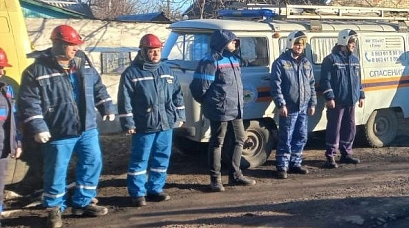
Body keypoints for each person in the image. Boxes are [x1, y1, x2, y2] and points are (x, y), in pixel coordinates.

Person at [18, 25, 117, 228]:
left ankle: (83, 202)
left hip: (86, 127)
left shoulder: (83, 62)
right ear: (58, 44)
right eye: (71, 45)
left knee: (93, 163)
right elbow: (29, 102)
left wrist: (106, 105)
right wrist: (38, 126)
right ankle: (54, 209)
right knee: (56, 170)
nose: (75, 49)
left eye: (76, 45)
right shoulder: (36, 71)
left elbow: (97, 85)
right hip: (58, 130)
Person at [118, 34, 184, 206]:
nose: (155, 54)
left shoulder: (167, 71)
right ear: (142, 51)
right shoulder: (131, 73)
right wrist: (128, 123)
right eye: (151, 51)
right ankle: (137, 193)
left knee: (162, 158)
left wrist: (180, 116)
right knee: (140, 159)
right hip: (143, 125)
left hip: (165, 124)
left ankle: (155, 189)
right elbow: (124, 101)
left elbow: (177, 95)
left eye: (157, 51)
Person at [190, 29, 256, 192]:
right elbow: (198, 88)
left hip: (236, 108)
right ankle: (215, 180)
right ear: (221, 42)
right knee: (217, 142)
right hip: (219, 109)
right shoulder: (210, 61)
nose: (235, 43)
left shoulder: (234, 59)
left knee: (240, 139)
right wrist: (212, 104)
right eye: (232, 40)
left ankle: (236, 175)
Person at [270, 31, 316, 178]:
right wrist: (281, 104)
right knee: (286, 137)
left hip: (303, 106)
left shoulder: (306, 62)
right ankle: (282, 166)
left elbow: (312, 84)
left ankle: (295, 163)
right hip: (289, 107)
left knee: (301, 135)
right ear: (290, 44)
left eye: (302, 44)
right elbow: (275, 86)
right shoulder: (280, 62)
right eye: (297, 44)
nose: (299, 47)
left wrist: (312, 103)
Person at [319, 29, 364, 168]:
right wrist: (330, 97)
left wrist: (361, 95)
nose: (353, 45)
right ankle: (330, 156)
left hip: (351, 100)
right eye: (351, 42)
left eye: (354, 42)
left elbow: (358, 80)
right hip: (337, 101)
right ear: (344, 41)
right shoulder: (330, 59)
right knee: (334, 128)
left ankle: (346, 153)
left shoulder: (355, 60)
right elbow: (325, 81)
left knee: (350, 127)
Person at [0, 48, 22, 228]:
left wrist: (16, 142)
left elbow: (11, 120)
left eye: (2, 68)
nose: (1, 72)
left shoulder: (6, 89)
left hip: (2, 150)